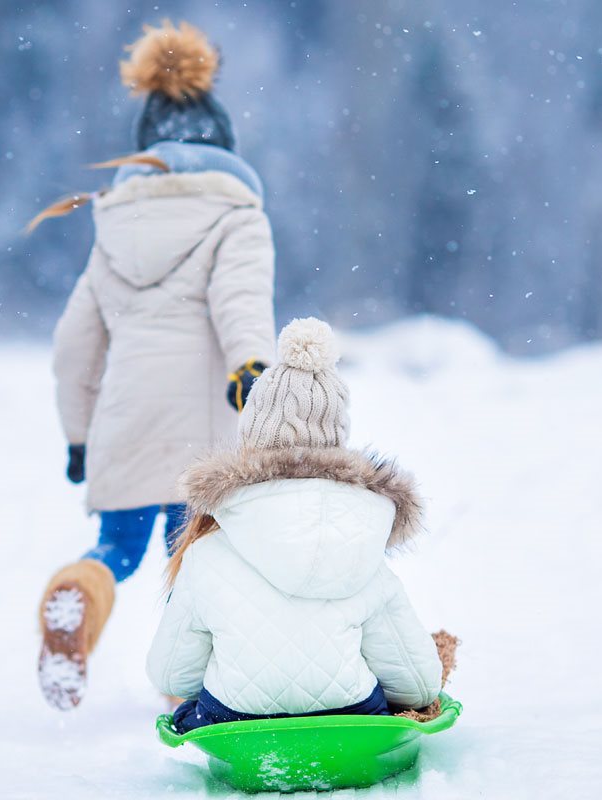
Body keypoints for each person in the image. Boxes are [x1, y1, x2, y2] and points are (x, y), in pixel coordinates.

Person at [30, 20, 276, 710]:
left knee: (118, 550)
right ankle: (189, 691)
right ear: (225, 149)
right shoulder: (238, 216)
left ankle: (79, 590)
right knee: (195, 559)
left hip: (126, 421)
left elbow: (73, 348)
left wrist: (79, 437)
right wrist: (251, 364)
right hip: (204, 428)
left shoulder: (112, 224)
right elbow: (241, 300)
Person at [146, 318, 442, 732]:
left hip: (236, 720)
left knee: (187, 710)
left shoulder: (207, 549)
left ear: (252, 434)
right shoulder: (365, 541)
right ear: (337, 439)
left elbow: (172, 676)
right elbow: (418, 682)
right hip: (349, 719)